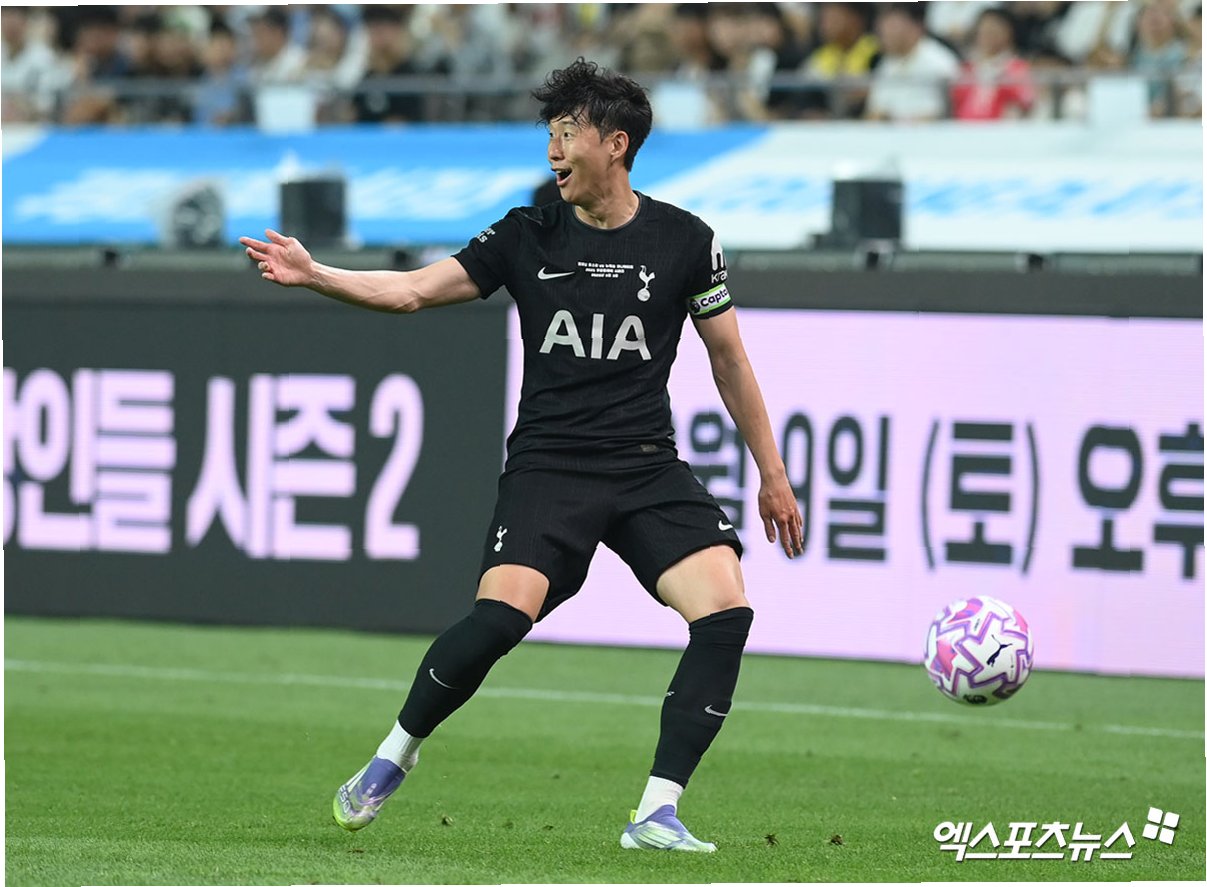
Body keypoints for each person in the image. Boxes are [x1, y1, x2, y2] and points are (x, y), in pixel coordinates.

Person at [240, 57, 803, 853]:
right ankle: (393, 753)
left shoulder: (686, 240)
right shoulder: (524, 234)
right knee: (500, 618)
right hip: (550, 465)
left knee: (724, 612)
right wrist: (314, 274)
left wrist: (772, 475)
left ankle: (656, 811)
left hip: (646, 464)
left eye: (566, 133)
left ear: (615, 143)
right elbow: (410, 291)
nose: (552, 151)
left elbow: (729, 360)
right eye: (549, 134)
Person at [865, 3, 962, 122]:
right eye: (883, 28)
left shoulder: (939, 62)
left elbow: (939, 114)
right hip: (892, 131)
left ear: (915, 27)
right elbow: (875, 112)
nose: (885, 33)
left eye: (892, 26)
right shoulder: (886, 65)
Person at [951, 7, 1036, 120]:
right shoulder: (966, 68)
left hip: (1000, 127)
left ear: (1008, 33)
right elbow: (954, 101)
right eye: (985, 29)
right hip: (963, 127)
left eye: (994, 30)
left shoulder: (1017, 68)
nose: (989, 34)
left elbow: (1025, 102)